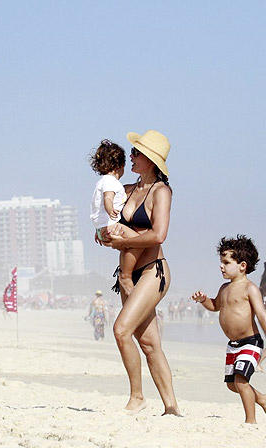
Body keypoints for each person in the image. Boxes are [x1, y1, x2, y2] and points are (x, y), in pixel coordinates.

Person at [102, 129, 180, 415]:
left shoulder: (162, 191)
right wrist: (108, 237)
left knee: (121, 330)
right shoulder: (129, 190)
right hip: (127, 271)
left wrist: (125, 240)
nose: (131, 156)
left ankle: (137, 397)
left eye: (136, 152)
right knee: (148, 343)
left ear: (151, 159)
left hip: (152, 271)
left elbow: (159, 235)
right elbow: (120, 228)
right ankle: (171, 407)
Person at [191, 235, 266, 423]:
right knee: (233, 385)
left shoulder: (250, 289)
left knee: (241, 381)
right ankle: (263, 399)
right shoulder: (224, 288)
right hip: (233, 345)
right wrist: (203, 300)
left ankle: (251, 421)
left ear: (242, 265)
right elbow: (215, 306)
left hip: (250, 342)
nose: (221, 266)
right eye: (221, 262)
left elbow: (261, 315)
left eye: (226, 262)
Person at [89, 140, 142, 294]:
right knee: (138, 242)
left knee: (127, 247)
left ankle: (126, 273)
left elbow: (98, 209)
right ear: (119, 165)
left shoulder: (102, 182)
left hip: (103, 228)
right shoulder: (111, 182)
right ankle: (125, 275)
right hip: (111, 226)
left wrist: (100, 228)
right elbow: (107, 199)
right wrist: (110, 209)